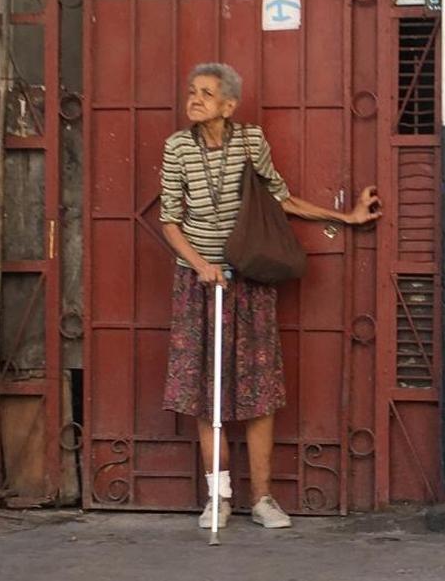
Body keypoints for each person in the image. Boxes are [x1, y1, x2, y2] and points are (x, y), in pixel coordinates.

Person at [159, 63, 382, 530]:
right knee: (207, 394)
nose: (195, 99)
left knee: (257, 393)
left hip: (249, 278)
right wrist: (201, 265)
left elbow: (280, 197)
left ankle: (262, 498)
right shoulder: (177, 147)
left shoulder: (249, 140)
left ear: (228, 105)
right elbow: (169, 220)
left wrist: (348, 218)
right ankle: (217, 498)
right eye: (191, 91)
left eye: (206, 94)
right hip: (198, 282)